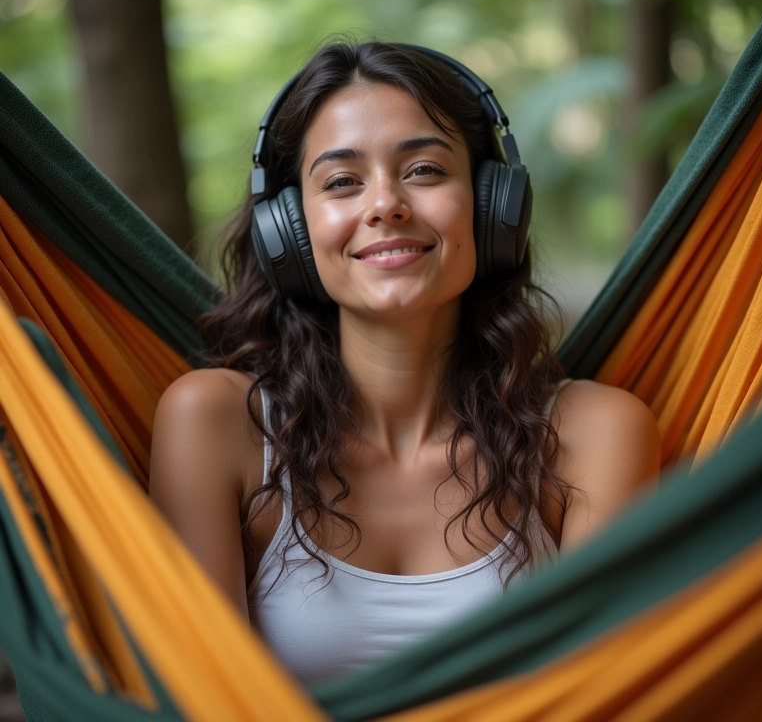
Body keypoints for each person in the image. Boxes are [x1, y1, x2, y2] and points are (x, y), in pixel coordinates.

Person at [149, 41, 660, 685]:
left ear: (492, 206)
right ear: (288, 231)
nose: (384, 204)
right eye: (342, 182)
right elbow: (202, 699)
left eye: (423, 170)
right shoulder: (218, 424)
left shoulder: (594, 434)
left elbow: (600, 696)